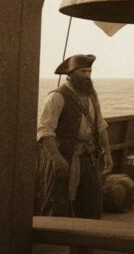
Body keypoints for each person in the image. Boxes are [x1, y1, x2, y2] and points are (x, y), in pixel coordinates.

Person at [36, 54, 112, 219]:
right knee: (59, 204)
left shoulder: (92, 95)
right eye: (83, 71)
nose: (87, 75)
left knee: (92, 203)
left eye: (89, 71)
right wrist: (57, 158)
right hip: (65, 158)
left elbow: (100, 125)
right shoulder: (57, 96)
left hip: (90, 158)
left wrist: (107, 153)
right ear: (71, 74)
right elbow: (45, 130)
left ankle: (87, 235)